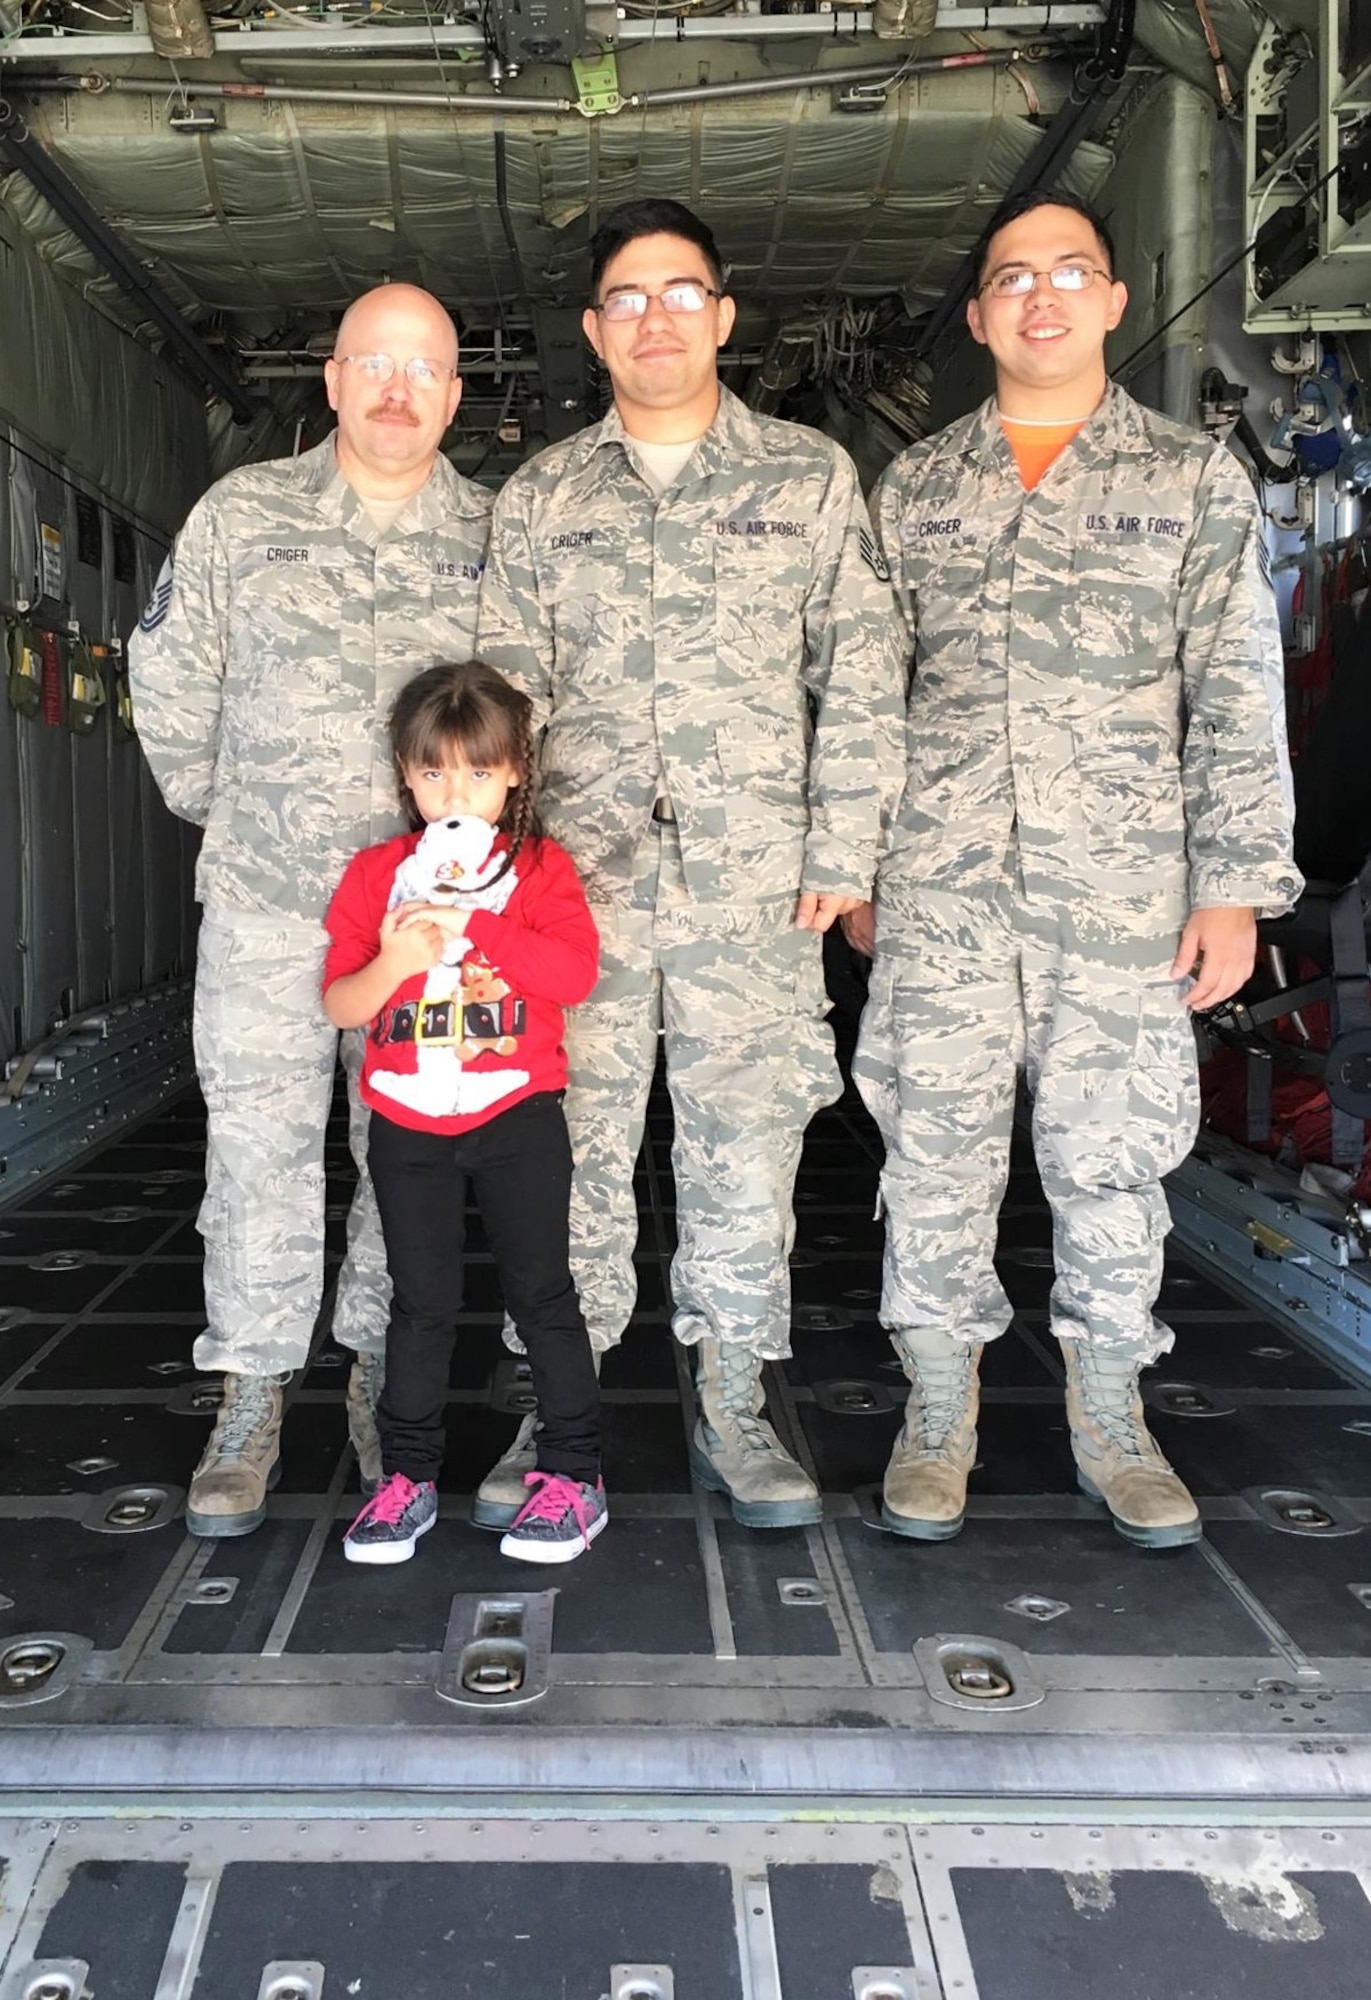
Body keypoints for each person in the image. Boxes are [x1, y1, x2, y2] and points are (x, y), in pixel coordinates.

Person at [848, 190, 1302, 1550]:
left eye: (1070, 273)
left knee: (1108, 1160)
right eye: (1009, 278)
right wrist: (854, 867)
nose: (1038, 298)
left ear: (1110, 300)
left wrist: (1231, 884)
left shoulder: (1185, 480)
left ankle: (1110, 1414)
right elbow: (864, 695)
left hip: (1120, 897)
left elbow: (1233, 689)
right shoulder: (915, 488)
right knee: (931, 1155)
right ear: (977, 313)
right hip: (937, 890)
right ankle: (938, 1412)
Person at [477, 198, 906, 1530]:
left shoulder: (807, 478)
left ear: (720, 318)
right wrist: (489, 869)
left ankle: (733, 1403)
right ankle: (559, 1421)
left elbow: (864, 670)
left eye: (680, 294)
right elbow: (503, 693)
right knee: (565, 1156)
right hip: (578, 896)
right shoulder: (543, 496)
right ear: (594, 331)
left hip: (752, 890)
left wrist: (844, 849)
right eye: (625, 298)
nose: (653, 318)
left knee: (744, 1153)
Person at [129, 283, 494, 1537]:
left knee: (405, 1155)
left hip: (429, 917)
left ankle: (380, 1382)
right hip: (274, 905)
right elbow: (170, 680)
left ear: (455, 394)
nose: (398, 388)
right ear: (332, 381)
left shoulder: (495, 538)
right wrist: (230, 809)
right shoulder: (245, 516)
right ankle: (252, 1388)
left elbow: (522, 713)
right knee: (257, 1147)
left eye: (425, 369)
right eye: (373, 364)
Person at [323, 662, 605, 1565]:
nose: (455, 790)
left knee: (542, 1294)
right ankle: (404, 1480)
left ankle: (574, 1475)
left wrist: (478, 924)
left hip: (515, 1112)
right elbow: (343, 1004)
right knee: (421, 1304)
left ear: (516, 770)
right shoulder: (375, 877)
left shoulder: (539, 869)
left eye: (478, 772)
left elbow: (573, 977)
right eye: (435, 771)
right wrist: (398, 958)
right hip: (408, 1121)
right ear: (405, 774)